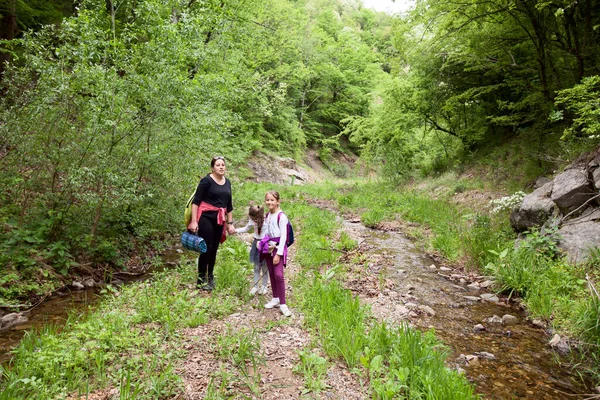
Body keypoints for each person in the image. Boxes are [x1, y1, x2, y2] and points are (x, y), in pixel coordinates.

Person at [187, 156, 236, 291]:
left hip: (220, 219)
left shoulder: (227, 183)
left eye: (223, 165)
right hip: (206, 218)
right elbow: (196, 202)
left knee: (214, 248)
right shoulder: (206, 181)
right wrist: (194, 221)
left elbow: (229, 205)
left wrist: (230, 223)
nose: (221, 167)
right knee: (206, 247)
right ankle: (201, 279)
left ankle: (210, 277)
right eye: (218, 165)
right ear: (212, 168)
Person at [261, 190, 292, 317]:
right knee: (272, 274)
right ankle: (275, 298)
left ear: (278, 201)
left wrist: (278, 254)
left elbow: (284, 236)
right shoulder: (268, 215)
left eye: (272, 200)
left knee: (279, 275)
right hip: (269, 247)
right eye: (267, 200)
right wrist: (263, 244)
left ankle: (283, 303)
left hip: (278, 248)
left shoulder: (282, 216)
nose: (269, 202)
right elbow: (267, 232)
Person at [235, 205, 269, 296]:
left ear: (258, 217)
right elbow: (246, 228)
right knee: (256, 267)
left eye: (253, 218)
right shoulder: (252, 221)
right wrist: (235, 230)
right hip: (256, 244)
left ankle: (264, 286)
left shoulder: (266, 222)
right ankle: (255, 286)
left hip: (265, 245)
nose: (252, 220)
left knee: (265, 267)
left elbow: (270, 234)